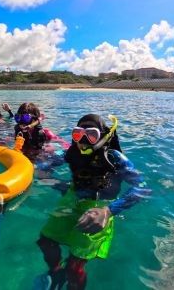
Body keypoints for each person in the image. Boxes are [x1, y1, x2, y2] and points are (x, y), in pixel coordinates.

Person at [35, 114, 151, 290]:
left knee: (75, 264)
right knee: (46, 241)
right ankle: (55, 271)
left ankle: (72, 276)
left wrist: (108, 211)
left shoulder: (115, 158)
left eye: (91, 134)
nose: (82, 140)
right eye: (77, 134)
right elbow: (42, 168)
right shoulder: (70, 153)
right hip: (72, 199)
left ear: (104, 136)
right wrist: (59, 184)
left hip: (100, 209)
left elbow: (142, 188)